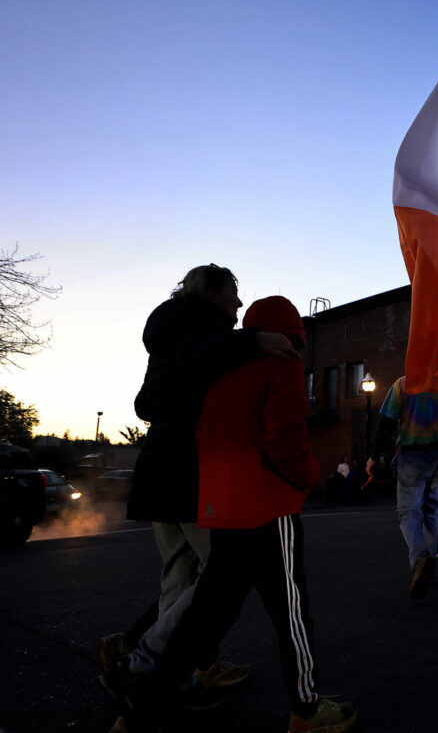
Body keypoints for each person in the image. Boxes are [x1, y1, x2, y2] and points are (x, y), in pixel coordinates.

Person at [107, 296, 358, 733]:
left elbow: (203, 434)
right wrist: (308, 476)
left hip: (223, 510)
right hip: (269, 508)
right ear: (293, 332)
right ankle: (306, 708)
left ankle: (141, 707)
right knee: (292, 614)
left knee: (205, 617)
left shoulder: (217, 375)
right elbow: (284, 438)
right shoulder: (285, 366)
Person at [99, 264, 297, 697]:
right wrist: (254, 340)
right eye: (233, 292)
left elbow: (145, 400)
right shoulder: (202, 323)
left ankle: (181, 673)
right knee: (220, 575)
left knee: (179, 573)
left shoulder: (168, 329)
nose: (239, 303)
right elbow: (197, 358)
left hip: (158, 461)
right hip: (189, 465)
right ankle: (147, 661)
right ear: (211, 291)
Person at [368, 374, 438, 599]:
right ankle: (430, 568)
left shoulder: (403, 384)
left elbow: (386, 422)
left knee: (408, 512)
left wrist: (374, 456)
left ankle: (419, 559)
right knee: (433, 512)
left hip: (412, 454)